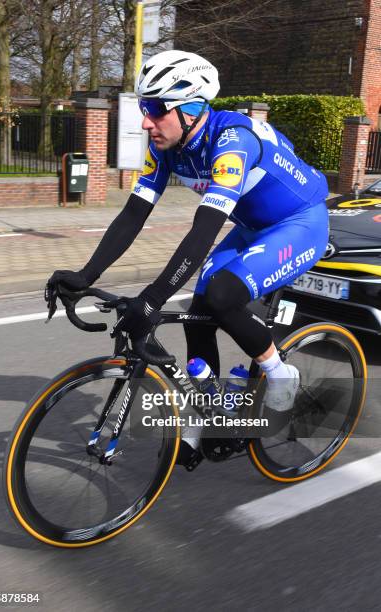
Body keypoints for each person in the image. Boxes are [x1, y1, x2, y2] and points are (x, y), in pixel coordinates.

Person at [48, 50, 329, 465]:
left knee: (220, 295)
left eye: (156, 109)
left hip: (299, 223)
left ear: (192, 109)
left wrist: (153, 297)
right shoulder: (167, 144)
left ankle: (280, 374)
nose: (146, 120)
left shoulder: (233, 141)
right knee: (199, 314)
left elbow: (203, 229)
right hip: (252, 226)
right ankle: (210, 416)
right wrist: (85, 274)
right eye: (145, 107)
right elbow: (134, 214)